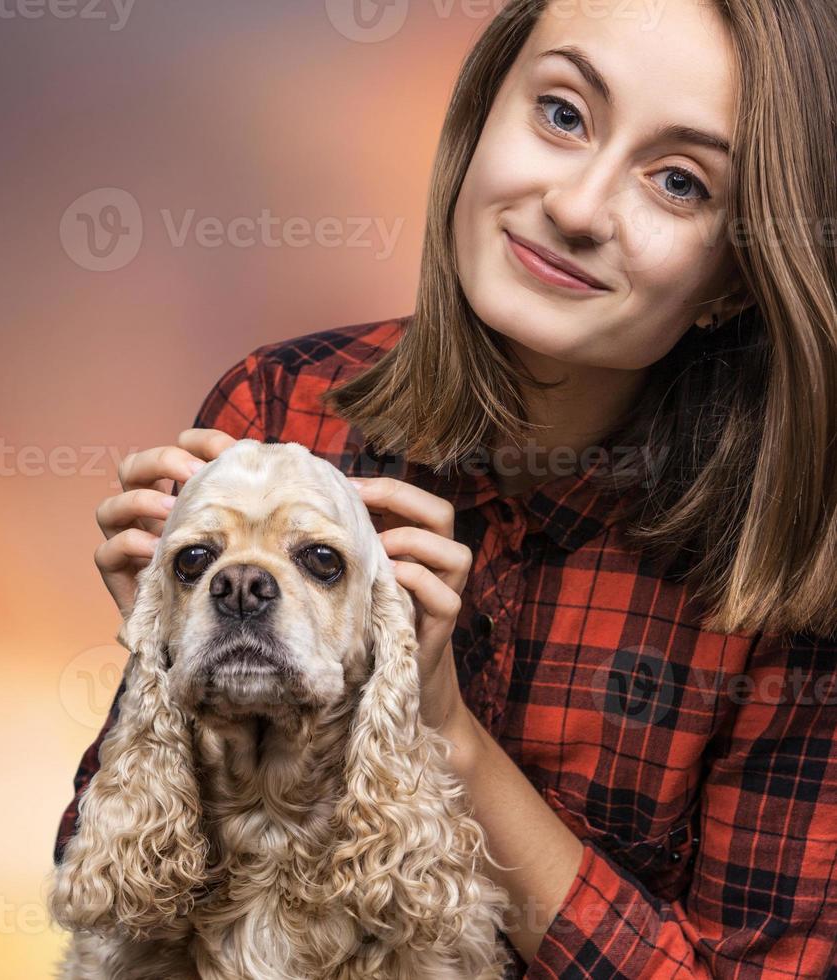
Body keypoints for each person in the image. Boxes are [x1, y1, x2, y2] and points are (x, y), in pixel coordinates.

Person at [55, 0, 837, 975]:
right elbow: (116, 888)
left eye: (678, 181)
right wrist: (177, 655)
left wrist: (446, 731)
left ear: (737, 270)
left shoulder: (797, 556)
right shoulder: (283, 408)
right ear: (479, 120)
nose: (579, 207)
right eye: (562, 114)